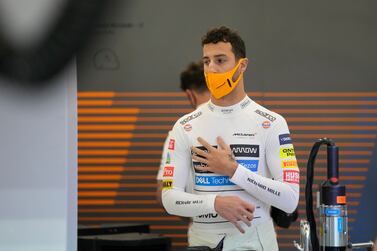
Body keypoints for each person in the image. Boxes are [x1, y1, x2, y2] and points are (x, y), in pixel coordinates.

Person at [161, 26, 300, 250]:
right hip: (203, 244)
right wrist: (214, 203)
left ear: (241, 65)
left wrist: (233, 170)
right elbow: (169, 199)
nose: (212, 69)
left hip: (255, 244)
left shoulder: (271, 123)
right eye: (207, 61)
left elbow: (290, 199)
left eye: (220, 60)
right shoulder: (185, 126)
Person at [156, 62, 210, 205]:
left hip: (200, 225)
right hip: (252, 223)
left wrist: (194, 217)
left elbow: (164, 192)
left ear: (190, 94)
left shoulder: (179, 131)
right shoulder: (249, 123)